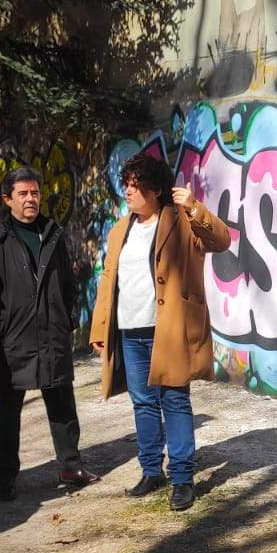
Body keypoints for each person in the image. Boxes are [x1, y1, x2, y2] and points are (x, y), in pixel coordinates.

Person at [89, 153, 230, 512]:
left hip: (166, 328)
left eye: (134, 187)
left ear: (154, 190)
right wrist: (100, 326)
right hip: (129, 328)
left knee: (175, 400)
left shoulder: (180, 220)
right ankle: (152, 470)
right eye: (126, 186)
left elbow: (222, 240)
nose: (127, 193)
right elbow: (109, 280)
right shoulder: (121, 228)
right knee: (143, 402)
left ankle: (182, 478)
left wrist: (195, 206)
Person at [0, 166, 99, 500]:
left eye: (35, 192)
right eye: (22, 194)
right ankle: (6, 476)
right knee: (8, 412)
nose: (31, 199)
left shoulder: (52, 232)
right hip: (12, 340)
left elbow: (68, 283)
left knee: (62, 404)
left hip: (52, 334)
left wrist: (67, 319)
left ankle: (70, 464)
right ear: (7, 199)